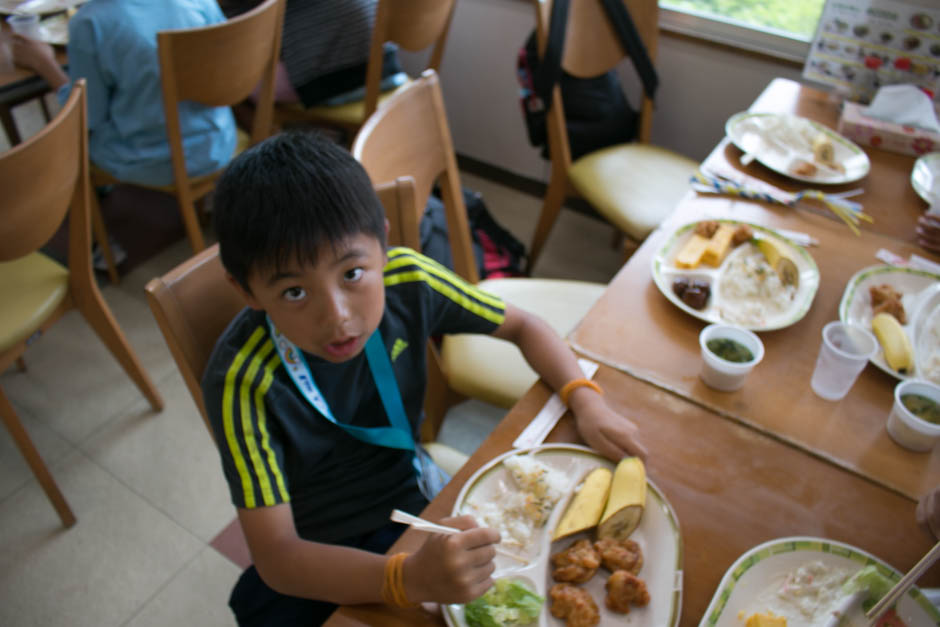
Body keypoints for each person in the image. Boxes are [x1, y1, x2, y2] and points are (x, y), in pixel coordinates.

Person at [204, 131, 647, 626]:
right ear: (246, 291)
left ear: (384, 244)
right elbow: (279, 557)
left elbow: (524, 325)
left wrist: (584, 399)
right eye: (292, 292)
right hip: (321, 546)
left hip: (412, 490)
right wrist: (404, 580)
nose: (337, 317)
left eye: (351, 273)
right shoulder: (241, 382)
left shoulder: (408, 279)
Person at [11, 0, 237, 187]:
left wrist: (45, 64)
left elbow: (88, 117)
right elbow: (228, 69)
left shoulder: (90, 22)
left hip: (155, 162)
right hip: (220, 137)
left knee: (63, 142)